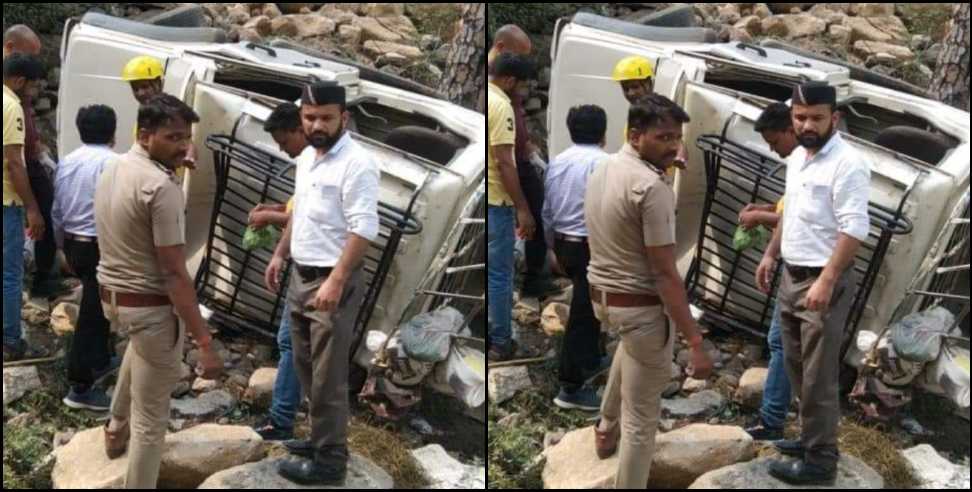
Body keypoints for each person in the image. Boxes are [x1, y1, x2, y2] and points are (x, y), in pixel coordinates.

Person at [585, 94, 713, 487]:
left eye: (677, 137)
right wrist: (694, 342)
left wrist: (664, 167)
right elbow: (664, 273)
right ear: (636, 135)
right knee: (642, 423)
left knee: (632, 347)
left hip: (602, 299)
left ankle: (605, 426)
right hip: (640, 306)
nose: (674, 146)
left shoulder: (606, 166)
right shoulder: (651, 188)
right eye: (664, 138)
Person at [97, 94, 222, 488]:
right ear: (145, 134)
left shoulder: (116, 166)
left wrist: (173, 167)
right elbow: (173, 273)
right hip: (150, 306)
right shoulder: (160, 187)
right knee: (152, 423)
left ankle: (115, 426)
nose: (184, 146)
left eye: (187, 137)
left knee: (142, 347)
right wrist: (204, 341)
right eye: (173, 138)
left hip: (113, 298)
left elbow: (139, 207)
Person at [264, 81, 379, 486]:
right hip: (301, 274)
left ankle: (330, 463)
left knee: (328, 376)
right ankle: (317, 439)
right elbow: (302, 210)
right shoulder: (308, 158)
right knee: (305, 364)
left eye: (326, 118)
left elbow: (363, 228)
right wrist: (280, 253)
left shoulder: (357, 163)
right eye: (310, 117)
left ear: (343, 118)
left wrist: (336, 280)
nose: (317, 124)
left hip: (332, 281)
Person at [756, 81, 871, 486]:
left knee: (819, 374)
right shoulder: (799, 158)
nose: (807, 124)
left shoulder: (847, 163)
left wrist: (827, 278)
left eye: (816, 118)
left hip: (823, 281)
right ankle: (809, 439)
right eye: (800, 117)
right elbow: (792, 210)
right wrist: (772, 253)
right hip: (792, 274)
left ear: (833, 118)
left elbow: (854, 228)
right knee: (795, 364)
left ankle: (821, 461)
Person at [53, 104, 121, 411]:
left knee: (98, 304)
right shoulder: (115, 164)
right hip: (99, 246)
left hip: (73, 243)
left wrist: (60, 248)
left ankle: (101, 360)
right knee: (95, 311)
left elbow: (56, 209)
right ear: (113, 132)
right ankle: (79, 387)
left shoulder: (68, 161)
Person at [543, 104, 609, 411]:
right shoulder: (604, 163)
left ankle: (592, 358)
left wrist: (551, 247)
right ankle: (570, 387)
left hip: (563, 244)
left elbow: (547, 209)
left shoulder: (558, 161)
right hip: (589, 246)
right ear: (604, 133)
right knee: (585, 311)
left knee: (589, 305)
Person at [249, 102, 308, 442]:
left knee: (293, 342)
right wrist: (276, 211)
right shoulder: (310, 164)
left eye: (284, 142)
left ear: (298, 130)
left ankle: (282, 420)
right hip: (302, 263)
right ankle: (284, 415)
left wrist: (270, 219)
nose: (281, 150)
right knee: (291, 341)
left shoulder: (318, 162)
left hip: (316, 270)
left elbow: (310, 215)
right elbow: (298, 207)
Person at [742, 102, 799, 441]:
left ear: (790, 131)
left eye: (774, 141)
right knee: (781, 341)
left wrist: (760, 219)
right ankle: (773, 416)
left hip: (804, 270)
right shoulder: (800, 164)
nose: (771, 149)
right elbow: (789, 206)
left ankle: (772, 420)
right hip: (792, 263)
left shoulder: (808, 163)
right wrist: (766, 209)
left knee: (783, 342)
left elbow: (800, 216)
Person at [488, 25, 556, 298]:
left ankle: (530, 274)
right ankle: (530, 281)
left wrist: (526, 142)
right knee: (533, 216)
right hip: (508, 162)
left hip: (518, 154)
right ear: (503, 48)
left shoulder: (504, 79)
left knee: (538, 215)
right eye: (520, 55)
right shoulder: (497, 81)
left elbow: (515, 113)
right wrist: (521, 207)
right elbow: (502, 155)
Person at [4, 25, 70, 299]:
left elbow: (27, 114)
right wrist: (31, 208)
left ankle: (40, 272)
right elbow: (14, 160)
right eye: (28, 54)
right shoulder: (11, 86)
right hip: (18, 158)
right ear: (10, 46)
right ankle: (41, 278)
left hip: (25, 151)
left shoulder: (14, 82)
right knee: (41, 211)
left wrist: (39, 148)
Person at [487, 52, 537, 362]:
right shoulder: (501, 106)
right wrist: (523, 208)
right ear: (509, 80)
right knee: (499, 275)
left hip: (480, 199)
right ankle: (500, 342)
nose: (523, 92)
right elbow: (505, 162)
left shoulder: (484, 96)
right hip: (497, 203)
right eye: (521, 85)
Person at [3, 53, 49, 362]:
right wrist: (32, 208)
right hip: (6, 202)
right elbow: (14, 163)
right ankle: (9, 340)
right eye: (32, 87)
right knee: (9, 274)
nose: (33, 93)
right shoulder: (10, 107)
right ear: (19, 81)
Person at [121, 56, 197, 180]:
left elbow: (188, 142)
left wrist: (189, 156)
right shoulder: (146, 112)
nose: (140, 93)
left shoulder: (169, 110)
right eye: (135, 89)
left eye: (145, 87)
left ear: (159, 83)